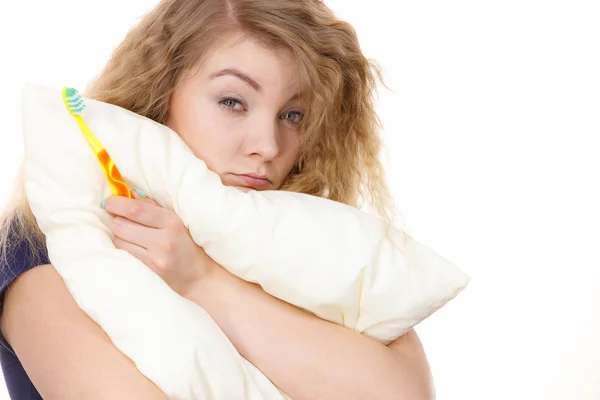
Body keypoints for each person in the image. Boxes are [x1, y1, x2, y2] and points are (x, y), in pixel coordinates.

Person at [0, 0, 435, 399]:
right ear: (159, 90)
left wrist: (202, 280)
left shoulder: (313, 245)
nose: (267, 145)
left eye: (292, 115)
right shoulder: (42, 251)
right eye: (232, 101)